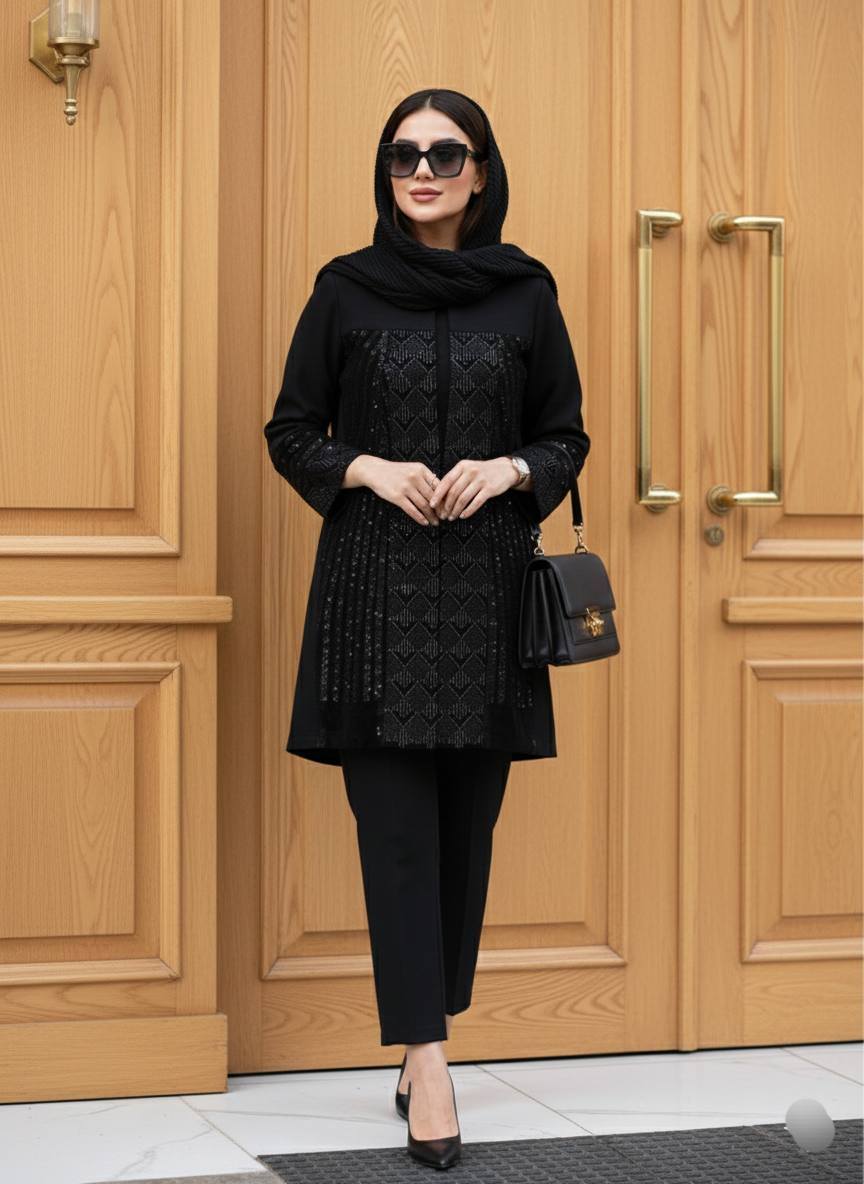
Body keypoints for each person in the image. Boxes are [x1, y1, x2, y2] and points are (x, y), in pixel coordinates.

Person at [263, 87, 590, 1170]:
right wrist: (367, 466)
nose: (423, 171)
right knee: (395, 831)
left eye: (447, 154)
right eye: (403, 153)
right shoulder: (346, 291)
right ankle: (431, 1058)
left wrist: (510, 470)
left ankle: (424, 1034)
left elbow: (565, 437)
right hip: (376, 595)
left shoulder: (526, 294)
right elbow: (291, 430)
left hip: (487, 600)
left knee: (466, 833)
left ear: (481, 171)